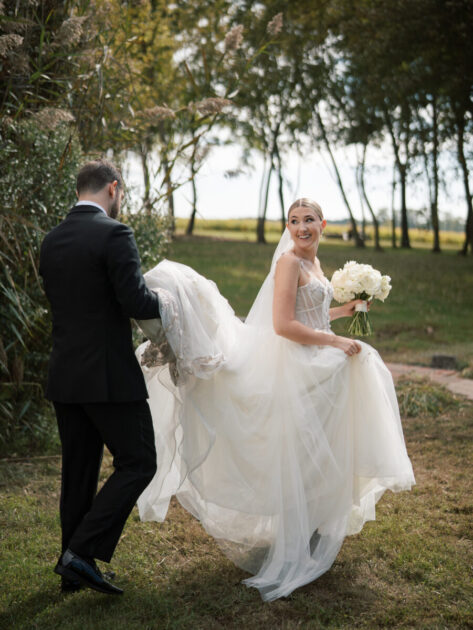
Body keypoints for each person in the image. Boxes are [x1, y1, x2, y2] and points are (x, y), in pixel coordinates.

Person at [135, 198, 415, 602]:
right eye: (294, 221)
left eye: (309, 221)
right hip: (296, 366)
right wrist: (337, 341)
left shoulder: (315, 265)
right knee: (304, 448)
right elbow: (284, 326)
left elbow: (311, 315)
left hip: (314, 358)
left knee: (319, 447)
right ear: (288, 226)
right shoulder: (288, 263)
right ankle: (294, 542)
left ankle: (311, 525)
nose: (302, 228)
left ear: (323, 224)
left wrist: (346, 311)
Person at [39, 160, 161, 595]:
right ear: (113, 188)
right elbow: (137, 302)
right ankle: (80, 552)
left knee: (79, 472)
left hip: (65, 376)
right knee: (140, 461)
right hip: (108, 377)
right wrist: (171, 299)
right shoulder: (115, 233)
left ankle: (73, 569)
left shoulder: (51, 241)